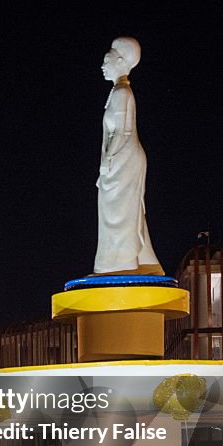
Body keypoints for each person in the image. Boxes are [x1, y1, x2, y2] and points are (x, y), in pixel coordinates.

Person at [93, 37, 165, 276]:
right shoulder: (118, 91)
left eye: (107, 59)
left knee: (118, 213)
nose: (103, 65)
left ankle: (118, 264)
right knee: (124, 211)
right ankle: (142, 262)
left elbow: (122, 132)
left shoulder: (123, 92)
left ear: (120, 61)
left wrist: (107, 162)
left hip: (123, 157)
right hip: (121, 157)